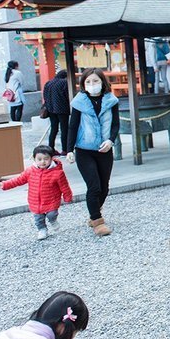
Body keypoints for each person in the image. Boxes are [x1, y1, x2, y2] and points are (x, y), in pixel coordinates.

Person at [65, 69, 119, 238]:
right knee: (94, 186)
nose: (92, 85)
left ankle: (93, 212)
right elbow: (72, 126)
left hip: (105, 149)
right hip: (84, 150)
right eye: (88, 82)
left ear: (102, 82)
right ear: (83, 85)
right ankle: (97, 222)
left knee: (104, 187)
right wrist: (69, 149)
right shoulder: (79, 102)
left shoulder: (111, 101)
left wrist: (111, 140)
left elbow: (115, 124)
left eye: (95, 81)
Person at [0, 144, 72, 241]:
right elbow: (18, 180)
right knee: (38, 218)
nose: (43, 162)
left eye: (46, 159)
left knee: (52, 214)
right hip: (35, 201)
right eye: (39, 159)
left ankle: (53, 221)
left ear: (52, 159)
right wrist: (4, 184)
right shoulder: (30, 171)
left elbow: (64, 186)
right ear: (34, 159)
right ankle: (42, 230)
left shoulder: (57, 173)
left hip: (51, 200)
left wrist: (67, 196)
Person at [43, 69, 71, 154]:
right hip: (62, 109)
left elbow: (45, 96)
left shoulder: (48, 83)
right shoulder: (64, 83)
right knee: (64, 129)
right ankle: (65, 149)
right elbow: (67, 95)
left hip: (50, 109)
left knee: (54, 129)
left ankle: (51, 148)